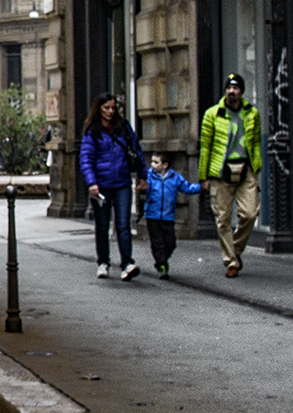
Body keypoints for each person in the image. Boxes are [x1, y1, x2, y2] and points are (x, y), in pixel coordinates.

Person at [199, 72, 262, 278]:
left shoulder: (252, 113)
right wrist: (204, 177)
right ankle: (231, 261)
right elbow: (205, 146)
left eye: (235, 88)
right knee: (223, 219)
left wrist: (257, 167)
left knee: (249, 213)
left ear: (241, 92)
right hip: (220, 172)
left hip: (246, 170)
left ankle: (234, 248)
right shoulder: (212, 114)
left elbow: (255, 143)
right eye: (229, 88)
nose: (231, 91)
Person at [79, 90, 147, 281]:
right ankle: (103, 262)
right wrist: (91, 182)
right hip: (101, 186)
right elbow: (86, 158)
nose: (110, 111)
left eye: (113, 108)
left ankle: (127, 263)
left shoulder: (123, 127)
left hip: (122, 183)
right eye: (106, 108)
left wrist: (143, 176)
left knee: (123, 225)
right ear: (99, 109)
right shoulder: (92, 130)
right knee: (102, 225)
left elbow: (136, 151)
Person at [142, 152, 201, 277]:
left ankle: (162, 260)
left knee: (170, 242)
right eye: (152, 161)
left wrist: (201, 188)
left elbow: (187, 188)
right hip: (153, 215)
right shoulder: (149, 176)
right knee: (157, 243)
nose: (152, 165)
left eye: (156, 162)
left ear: (165, 165)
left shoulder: (175, 177)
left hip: (168, 215)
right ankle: (161, 265)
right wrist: (142, 188)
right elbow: (145, 190)